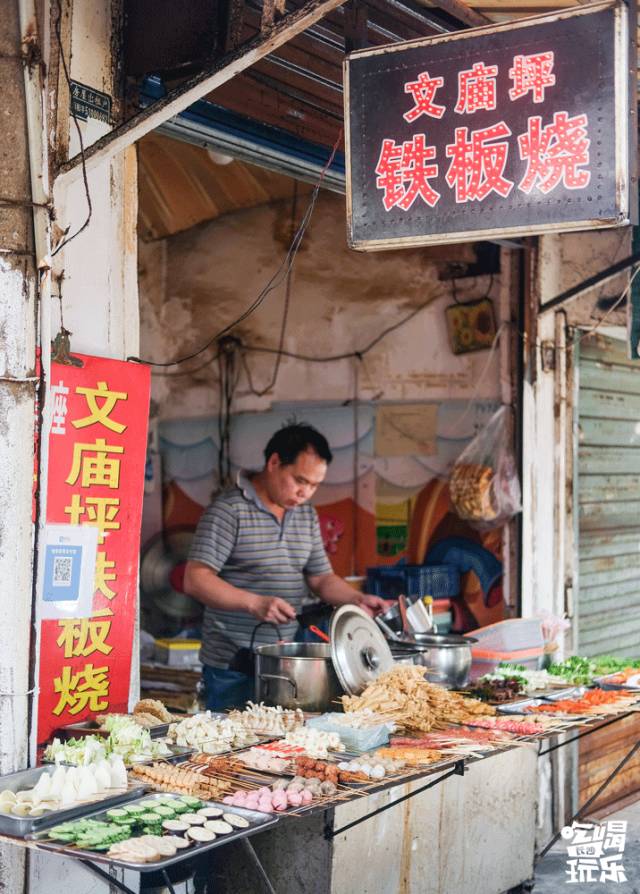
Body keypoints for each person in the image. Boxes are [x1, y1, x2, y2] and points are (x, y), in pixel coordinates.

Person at [183, 423, 391, 711]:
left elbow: (321, 578)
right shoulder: (228, 511)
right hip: (232, 666)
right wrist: (254, 603)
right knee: (229, 736)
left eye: (315, 485)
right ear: (274, 463)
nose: (305, 492)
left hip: (286, 661)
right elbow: (195, 578)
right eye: (300, 480)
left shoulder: (305, 515)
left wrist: (356, 599)